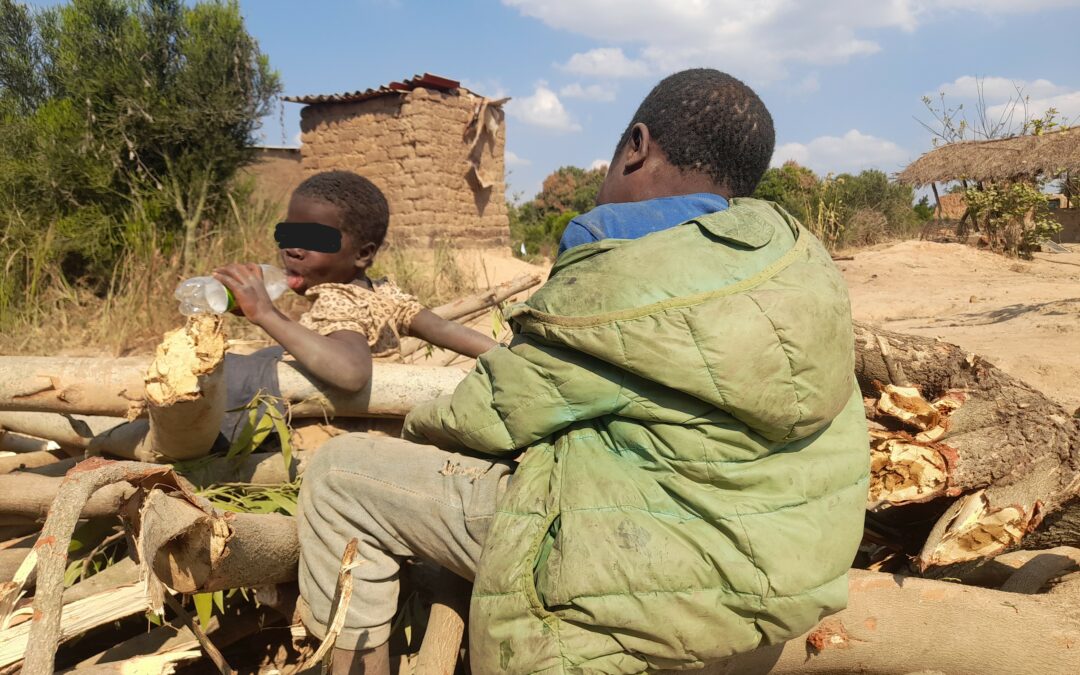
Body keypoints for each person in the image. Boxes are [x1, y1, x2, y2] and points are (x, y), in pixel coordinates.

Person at [295, 69, 869, 674]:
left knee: (341, 475)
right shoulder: (798, 262)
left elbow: (485, 417)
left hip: (646, 579)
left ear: (637, 146)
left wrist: (414, 430)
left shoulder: (619, 255)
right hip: (784, 576)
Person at [212, 170, 498, 394]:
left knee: (237, 373)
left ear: (363, 254)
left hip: (338, 432)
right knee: (270, 354)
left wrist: (265, 314)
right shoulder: (382, 293)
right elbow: (442, 328)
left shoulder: (336, 300)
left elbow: (351, 373)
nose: (293, 250)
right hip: (383, 427)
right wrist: (505, 357)